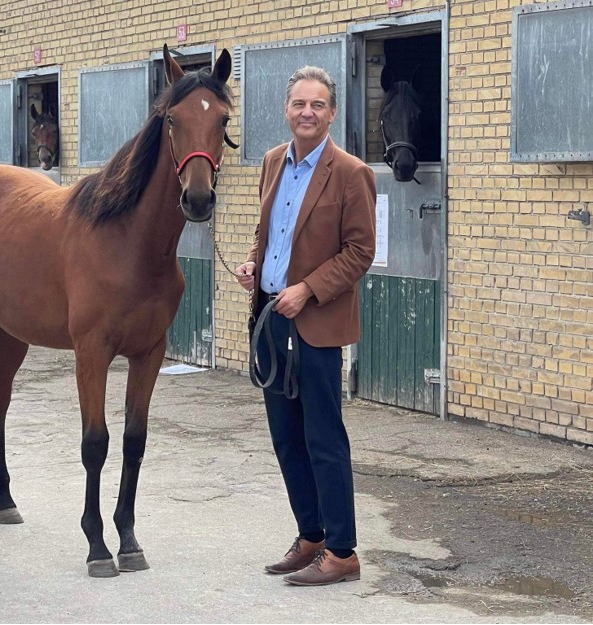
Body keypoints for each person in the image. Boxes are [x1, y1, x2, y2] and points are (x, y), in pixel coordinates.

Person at [235, 66, 376, 586]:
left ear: (332, 113)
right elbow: (269, 232)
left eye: (317, 105)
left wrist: (308, 289)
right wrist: (255, 264)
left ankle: (342, 551)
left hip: (316, 323)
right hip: (271, 319)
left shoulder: (351, 173)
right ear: (286, 109)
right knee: (286, 437)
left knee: (323, 437)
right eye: (299, 104)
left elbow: (360, 251)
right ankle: (311, 535)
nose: (307, 113)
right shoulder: (272, 161)